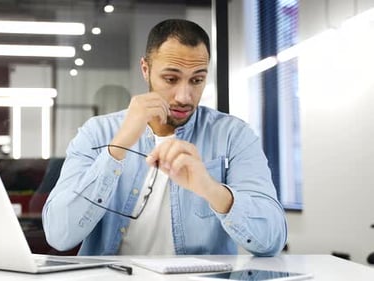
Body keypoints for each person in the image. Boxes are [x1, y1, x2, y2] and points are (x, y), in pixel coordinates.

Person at [42, 19, 287, 257]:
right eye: (171, 79)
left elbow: (271, 240)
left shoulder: (234, 136)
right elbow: (60, 235)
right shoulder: (96, 133)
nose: (184, 96)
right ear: (146, 69)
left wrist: (210, 188)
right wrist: (118, 147)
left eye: (197, 80)